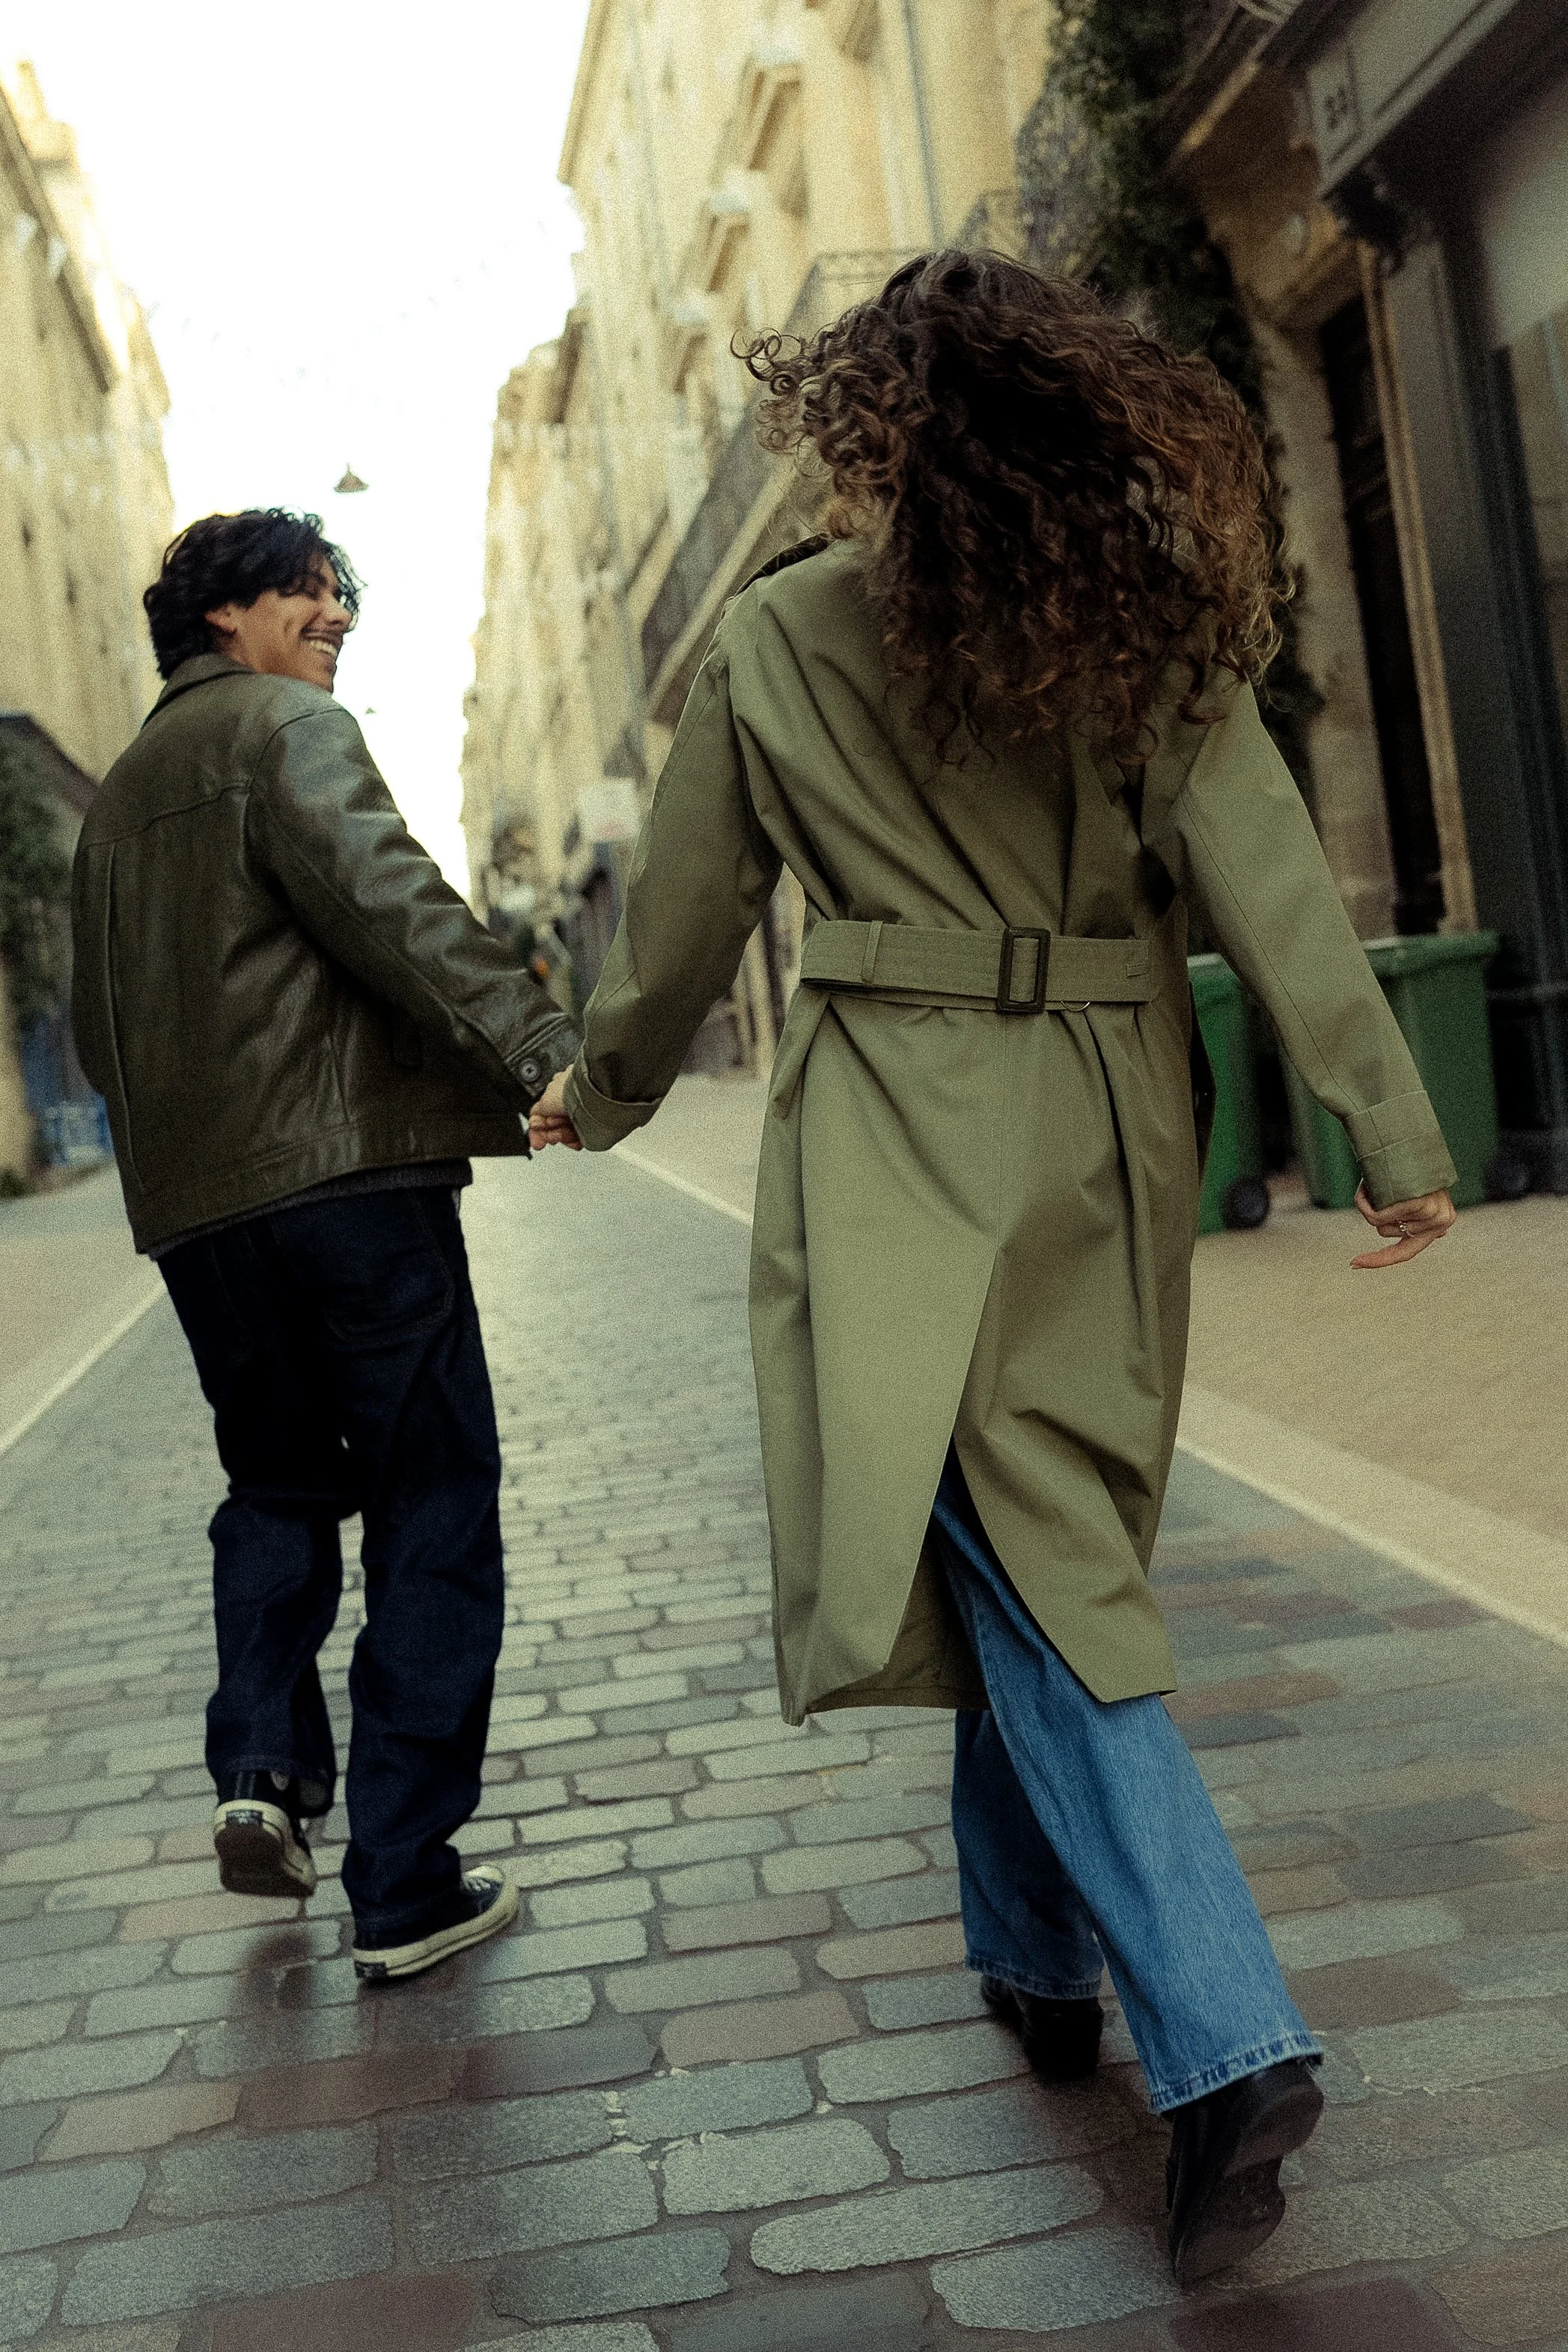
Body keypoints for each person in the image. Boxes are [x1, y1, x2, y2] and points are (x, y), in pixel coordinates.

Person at [528, 253, 1456, 2282]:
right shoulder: (1130, 625)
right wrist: (1382, 1134)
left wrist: (592, 1094)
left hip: (890, 1130)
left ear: (868, 431)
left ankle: (1223, 2034)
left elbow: (678, 929)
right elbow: (1271, 884)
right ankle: (1028, 1954)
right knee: (1024, 1523)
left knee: (1033, 1555)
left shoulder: (775, 641)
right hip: (1107, 1117)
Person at [72, 509, 577, 1981]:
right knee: (432, 1489)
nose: (337, 611)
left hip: (197, 1213)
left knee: (275, 1476)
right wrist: (542, 1046)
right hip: (348, 1186)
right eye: (309, 588)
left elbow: (103, 1034)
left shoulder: (110, 808)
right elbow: (394, 904)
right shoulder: (283, 731)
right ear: (225, 616)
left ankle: (261, 1766)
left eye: (342, 589)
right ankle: (407, 1880)